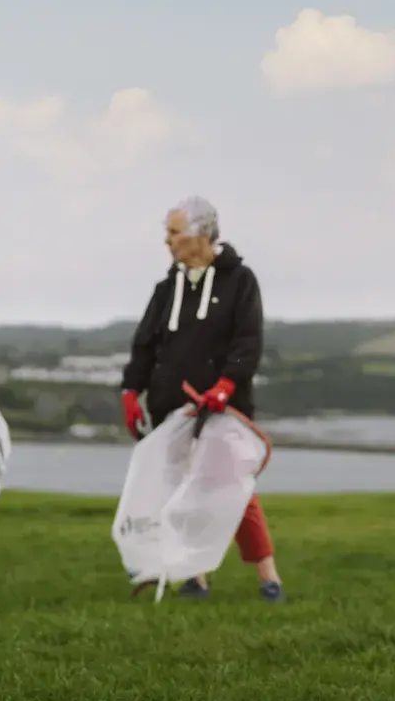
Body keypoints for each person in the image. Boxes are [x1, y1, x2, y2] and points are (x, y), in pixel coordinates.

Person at [119, 196, 284, 602]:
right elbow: (146, 344)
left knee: (232, 490)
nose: (167, 242)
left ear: (201, 235)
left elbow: (248, 341)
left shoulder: (240, 281)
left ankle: (268, 577)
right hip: (169, 406)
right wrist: (130, 390)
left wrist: (226, 385)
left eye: (174, 233)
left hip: (224, 408)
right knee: (177, 490)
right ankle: (195, 577)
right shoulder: (166, 288)